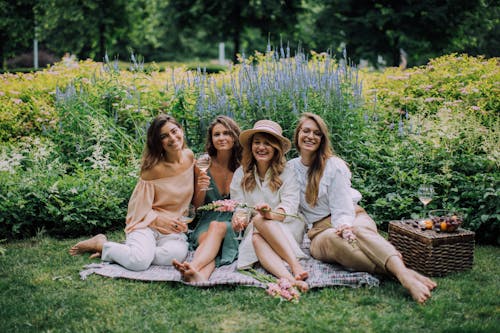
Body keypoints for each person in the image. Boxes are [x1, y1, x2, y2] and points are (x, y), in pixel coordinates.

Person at [288, 112, 437, 303]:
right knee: (339, 244)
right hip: (319, 231)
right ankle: (402, 272)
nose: (310, 136)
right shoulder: (290, 169)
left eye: (317, 133)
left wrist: (344, 226)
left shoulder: (334, 165)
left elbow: (342, 205)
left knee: (357, 232)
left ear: (322, 139)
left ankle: (404, 276)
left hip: (352, 216)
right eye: (306, 131)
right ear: (297, 135)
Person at [69, 114, 192, 271]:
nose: (172, 138)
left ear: (181, 130)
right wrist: (159, 220)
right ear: (158, 142)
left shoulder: (190, 157)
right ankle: (101, 244)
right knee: (139, 263)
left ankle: (124, 251)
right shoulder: (153, 169)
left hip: (174, 229)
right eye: (164, 136)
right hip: (147, 225)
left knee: (172, 257)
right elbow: (137, 209)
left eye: (174, 131)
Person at [230, 119, 309, 291]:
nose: (261, 147)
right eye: (257, 142)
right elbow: (240, 206)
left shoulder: (287, 173)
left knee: (259, 220)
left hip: (287, 225)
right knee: (257, 232)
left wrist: (269, 214)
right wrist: (239, 219)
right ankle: (290, 278)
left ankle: (294, 265)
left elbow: (289, 207)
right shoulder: (241, 173)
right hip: (256, 229)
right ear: (251, 146)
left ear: (276, 148)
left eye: (267, 143)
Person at [173, 116, 242, 282]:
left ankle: (193, 266)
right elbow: (196, 207)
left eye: (226, 133)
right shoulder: (203, 164)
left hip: (234, 218)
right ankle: (200, 277)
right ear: (211, 139)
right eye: (216, 134)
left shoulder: (243, 164)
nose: (222, 138)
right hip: (207, 218)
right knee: (209, 242)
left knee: (216, 228)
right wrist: (202, 187)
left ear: (234, 136)